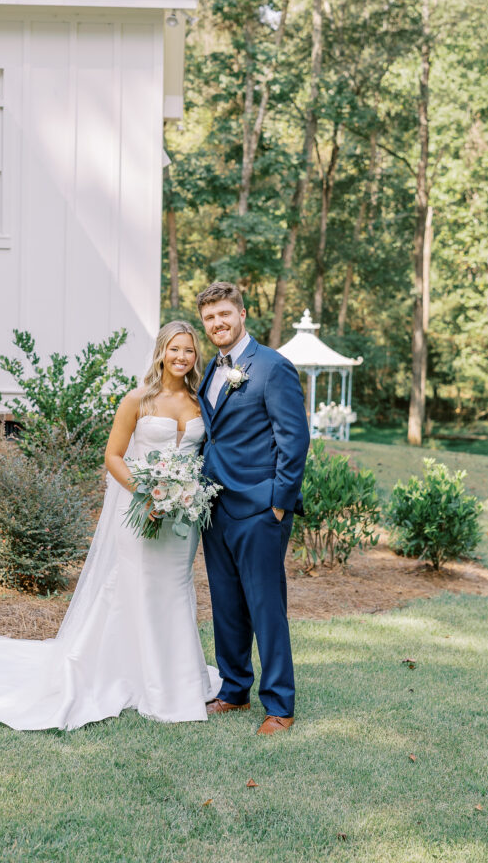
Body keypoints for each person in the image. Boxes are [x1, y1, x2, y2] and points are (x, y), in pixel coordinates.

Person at [0, 321, 221, 732]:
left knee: (176, 591)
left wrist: (181, 494)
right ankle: (137, 678)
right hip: (140, 512)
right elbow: (113, 456)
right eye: (175, 349)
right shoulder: (137, 400)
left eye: (190, 351)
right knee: (138, 589)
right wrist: (146, 493)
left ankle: (178, 679)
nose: (182, 357)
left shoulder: (202, 403)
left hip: (181, 520)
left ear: (196, 357)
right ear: (161, 352)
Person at [196, 282, 310, 735]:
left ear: (242, 314)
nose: (217, 323)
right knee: (226, 604)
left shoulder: (272, 367)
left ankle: (279, 705)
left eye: (225, 314)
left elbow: (294, 440)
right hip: (214, 507)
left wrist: (279, 504)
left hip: (261, 511)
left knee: (266, 608)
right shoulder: (211, 368)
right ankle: (233, 690)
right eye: (209, 318)